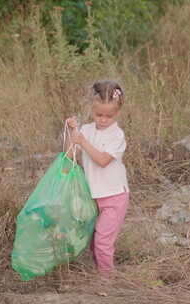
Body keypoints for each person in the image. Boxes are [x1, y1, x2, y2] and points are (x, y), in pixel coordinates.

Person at [65, 80, 129, 278]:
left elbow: (102, 160)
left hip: (114, 196)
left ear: (117, 113)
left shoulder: (117, 135)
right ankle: (100, 269)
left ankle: (106, 278)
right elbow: (70, 154)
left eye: (108, 116)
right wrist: (72, 132)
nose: (103, 120)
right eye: (98, 114)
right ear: (92, 110)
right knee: (93, 239)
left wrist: (82, 141)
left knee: (102, 240)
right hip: (92, 195)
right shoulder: (87, 130)